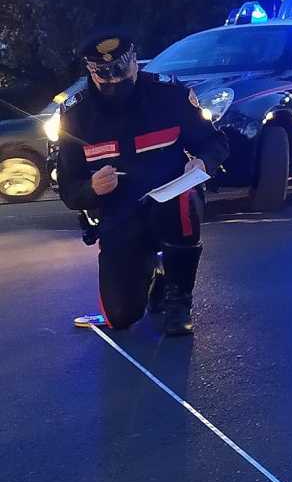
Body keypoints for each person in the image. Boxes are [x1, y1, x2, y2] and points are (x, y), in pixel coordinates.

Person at [58, 31, 229, 335]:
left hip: (170, 201)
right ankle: (154, 272)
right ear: (91, 72)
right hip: (119, 213)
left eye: (121, 70)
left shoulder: (169, 96)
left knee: (182, 201)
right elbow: (69, 187)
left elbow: (216, 142)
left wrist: (202, 163)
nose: (114, 80)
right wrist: (91, 188)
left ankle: (178, 300)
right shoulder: (76, 115)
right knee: (120, 317)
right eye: (104, 74)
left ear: (135, 61)